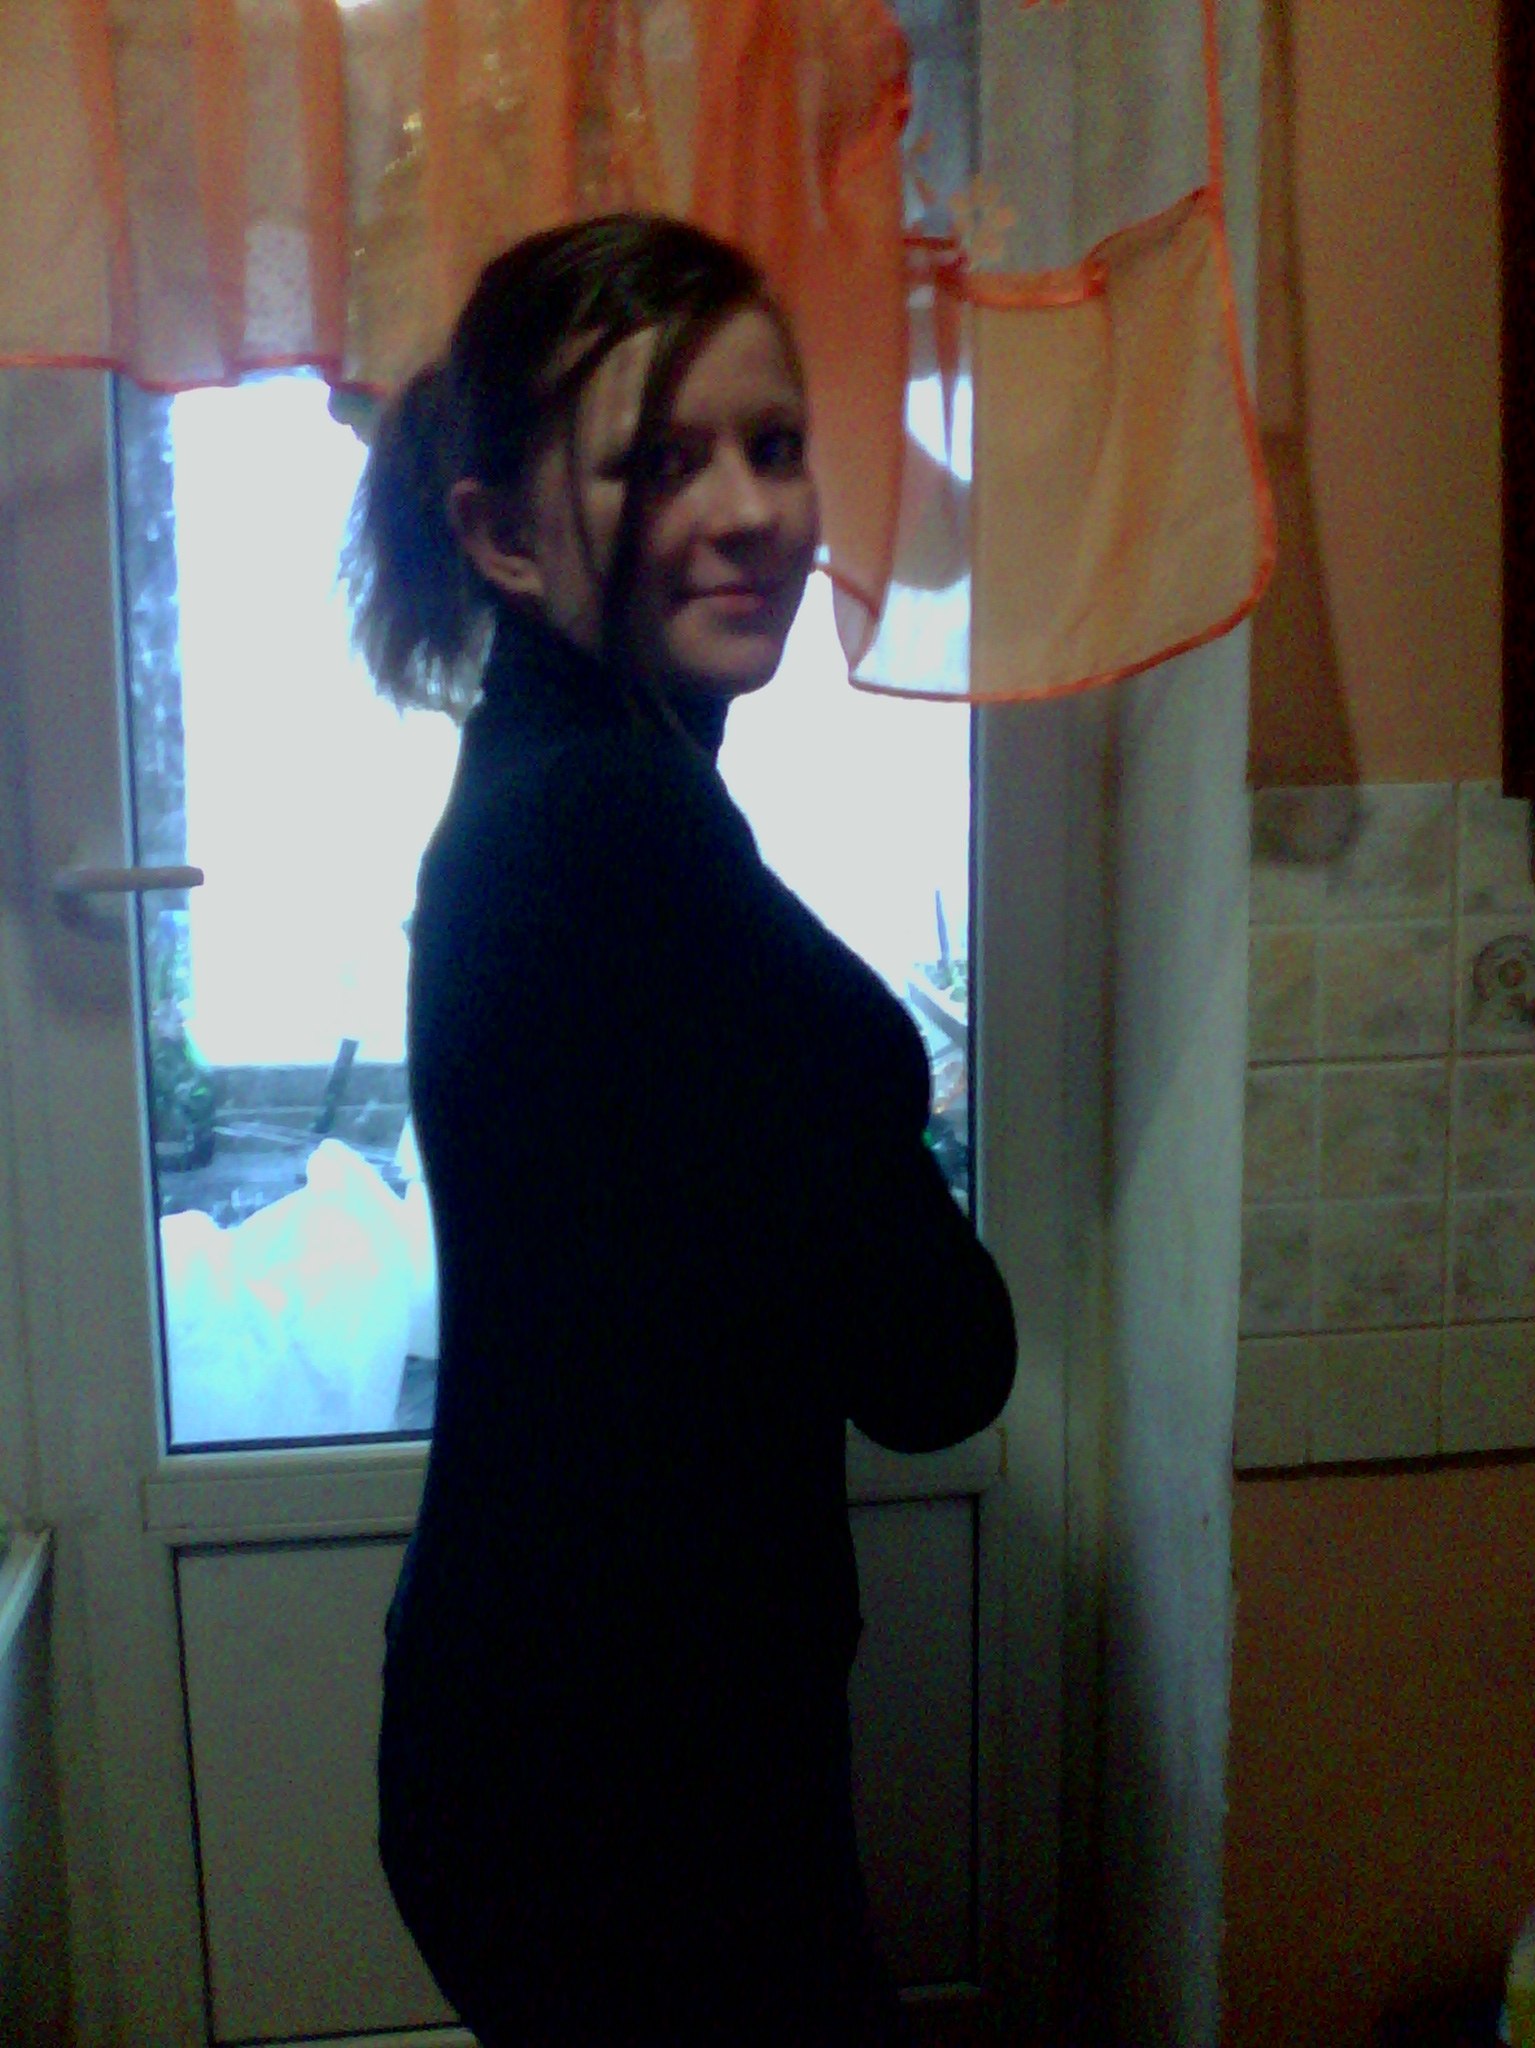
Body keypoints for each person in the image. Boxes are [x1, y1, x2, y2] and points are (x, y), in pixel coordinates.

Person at [348, 213, 1017, 2047]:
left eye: (774, 445)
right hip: (611, 1790)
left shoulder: (577, 788)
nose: (750, 513)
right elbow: (939, 1366)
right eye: (658, 463)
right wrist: (869, 1075)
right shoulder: (615, 827)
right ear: (501, 534)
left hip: (584, 1740)